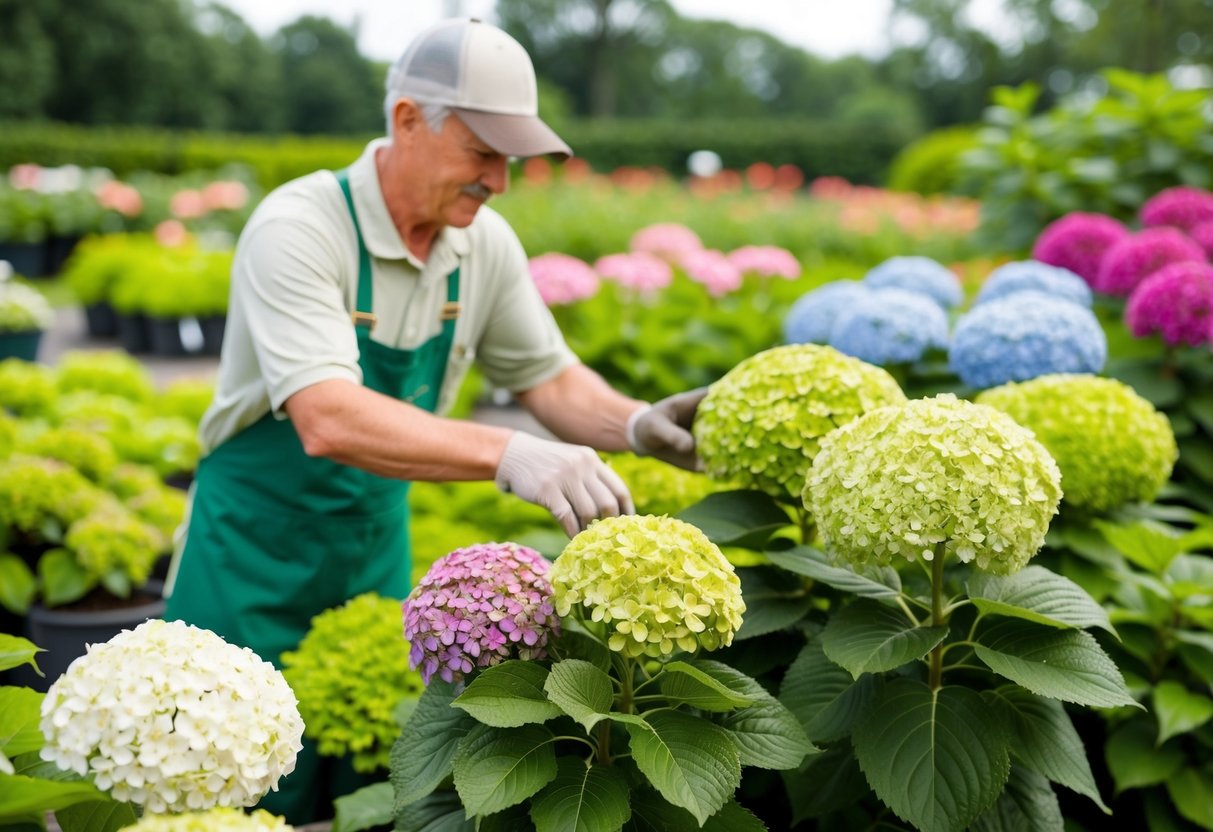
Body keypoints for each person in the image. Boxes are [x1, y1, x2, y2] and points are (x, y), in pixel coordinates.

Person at [163, 17, 706, 824]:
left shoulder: (481, 246)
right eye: (482, 153)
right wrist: (509, 453)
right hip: (248, 556)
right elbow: (327, 418)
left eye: (509, 160)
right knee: (226, 792)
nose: (499, 180)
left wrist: (637, 425)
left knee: (365, 792)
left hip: (373, 554)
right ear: (408, 120)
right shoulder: (301, 227)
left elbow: (547, 378)